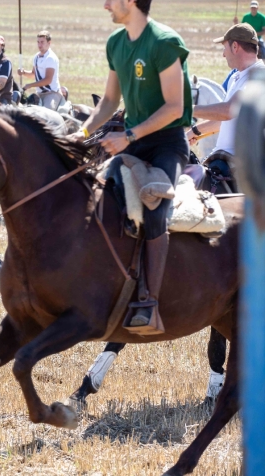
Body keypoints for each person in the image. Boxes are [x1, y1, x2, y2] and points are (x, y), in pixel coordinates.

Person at [70, 0, 192, 334]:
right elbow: (109, 101)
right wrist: (79, 134)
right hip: (132, 143)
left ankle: (149, 303)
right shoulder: (116, 43)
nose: (106, 5)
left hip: (167, 145)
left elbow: (174, 107)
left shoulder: (164, 42)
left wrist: (129, 135)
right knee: (97, 198)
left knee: (154, 208)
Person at [188, 24, 265, 158]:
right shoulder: (236, 77)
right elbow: (225, 120)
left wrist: (187, 109)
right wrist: (194, 131)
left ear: (235, 47)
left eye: (225, 48)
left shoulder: (259, 76)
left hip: (241, 167)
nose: (224, 54)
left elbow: (229, 111)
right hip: (224, 159)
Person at [17, 30, 64, 110]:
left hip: (52, 93)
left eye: (42, 42)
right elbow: (33, 74)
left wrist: (30, 85)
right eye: (38, 42)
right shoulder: (36, 57)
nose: (39, 45)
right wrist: (24, 72)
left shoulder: (51, 58)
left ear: (49, 43)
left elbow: (48, 80)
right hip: (39, 93)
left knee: (47, 114)